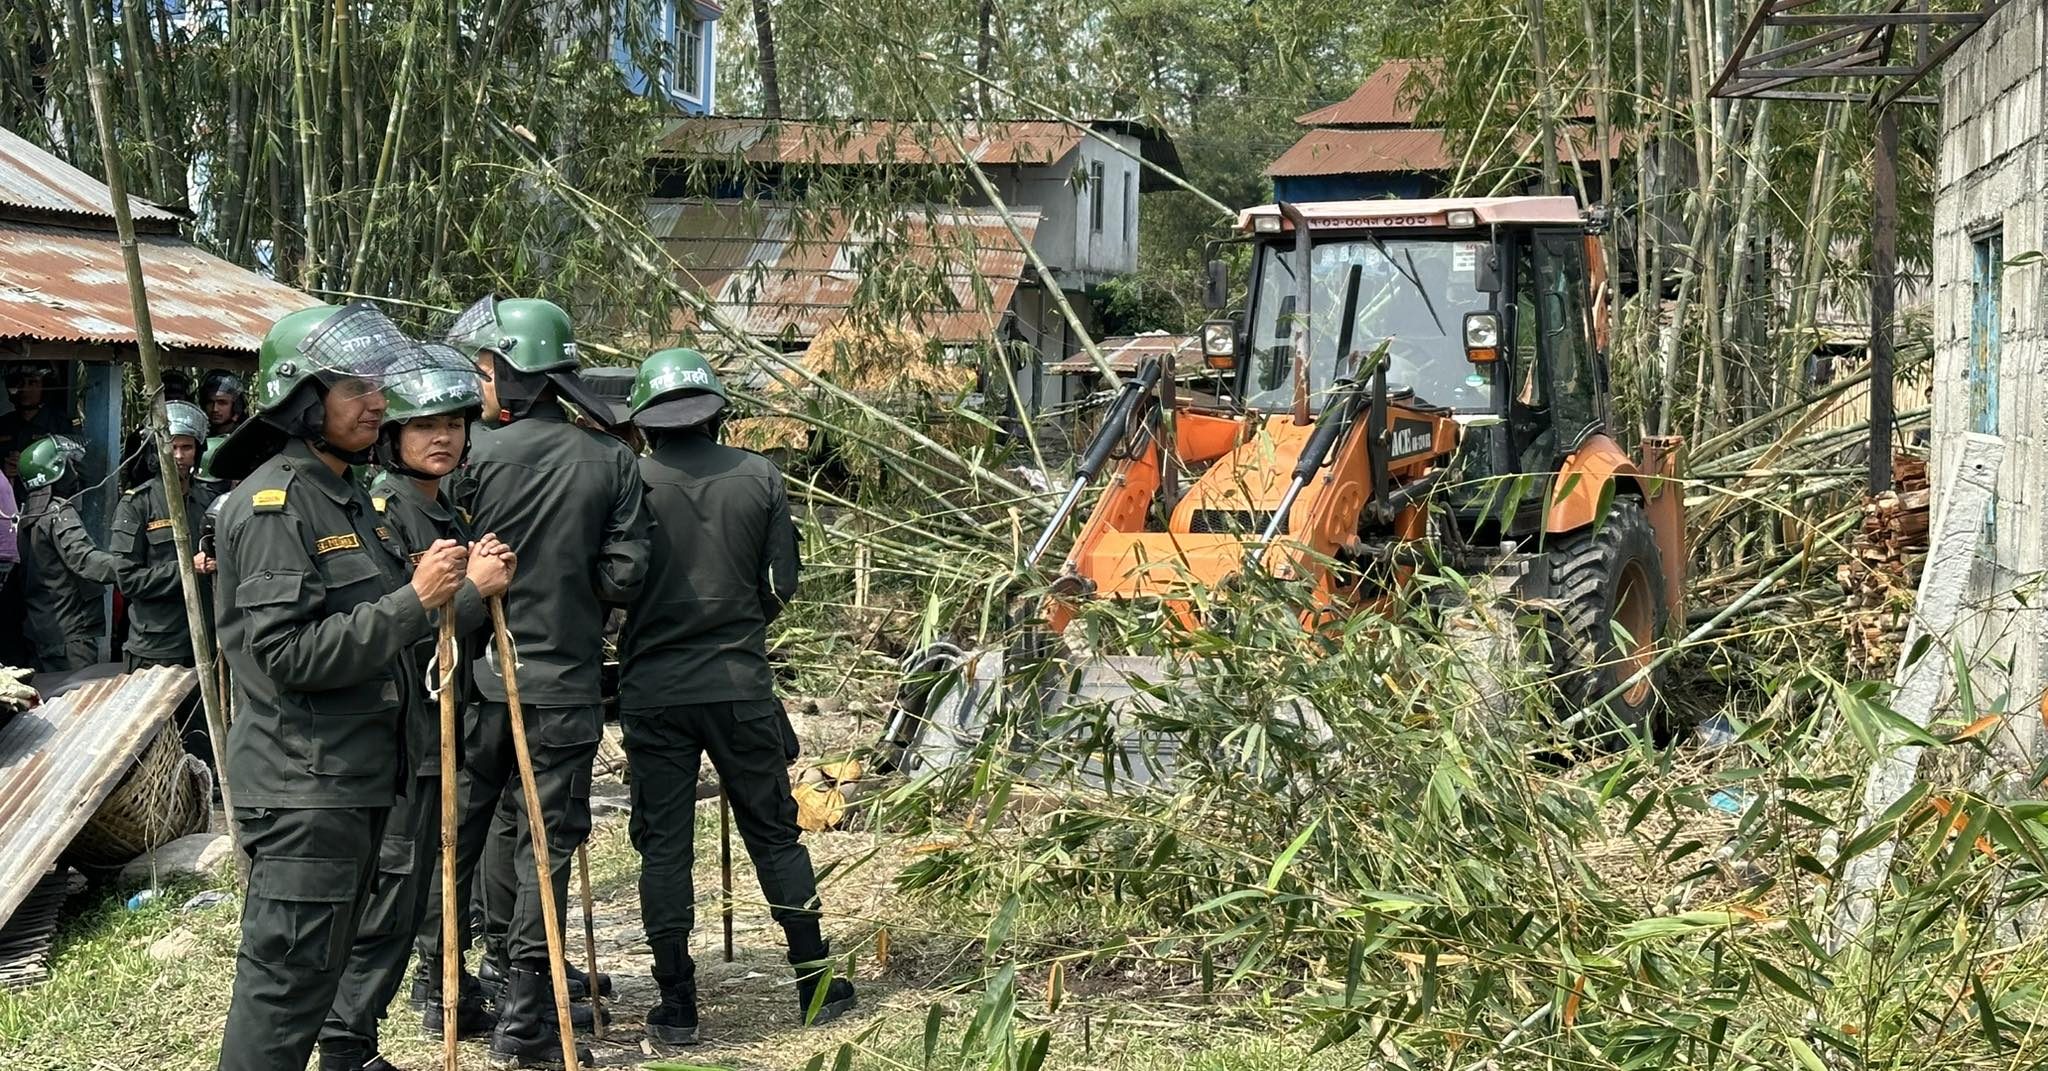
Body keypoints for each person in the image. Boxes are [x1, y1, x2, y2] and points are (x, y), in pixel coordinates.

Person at [207, 301, 506, 1071]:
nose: (378, 402)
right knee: (282, 988)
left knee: (313, 985)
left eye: (378, 386)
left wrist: (452, 597)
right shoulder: (277, 505)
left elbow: (391, 644)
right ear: (303, 399)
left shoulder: (342, 495)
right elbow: (289, 655)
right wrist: (420, 599)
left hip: (354, 783)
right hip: (307, 787)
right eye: (356, 389)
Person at [420, 295, 649, 1069]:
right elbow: (626, 574)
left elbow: (441, 559)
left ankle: (440, 980)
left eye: (484, 372)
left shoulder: (471, 459)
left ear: (513, 376)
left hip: (475, 678)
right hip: (560, 684)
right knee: (541, 842)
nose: (479, 388)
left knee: (471, 831)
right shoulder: (612, 459)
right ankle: (526, 1011)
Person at [619, 348, 855, 1048]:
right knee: (774, 832)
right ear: (718, 412)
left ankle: (677, 1003)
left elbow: (613, 581)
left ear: (646, 421)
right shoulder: (760, 475)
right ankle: (813, 980)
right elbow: (782, 583)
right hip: (739, 683)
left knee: (663, 847)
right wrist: (740, 622)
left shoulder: (628, 480)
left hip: (654, 690)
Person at [319, 350, 514, 1071]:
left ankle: (362, 1035)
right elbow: (401, 627)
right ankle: (345, 1041)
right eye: (423, 425)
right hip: (403, 733)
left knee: (417, 894)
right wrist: (473, 591)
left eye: (454, 423)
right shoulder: (383, 510)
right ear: (392, 434)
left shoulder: (449, 506)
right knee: (391, 894)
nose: (443, 437)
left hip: (446, 724)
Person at [110, 399, 216, 671]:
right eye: (171, 446)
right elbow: (128, 580)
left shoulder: (209, 501)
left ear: (197, 451)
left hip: (206, 641)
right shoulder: (137, 504)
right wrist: (186, 569)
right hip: (156, 649)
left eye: (186, 447)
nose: (178, 455)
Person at [17, 436, 117, 672]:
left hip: (39, 630)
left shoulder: (26, 514)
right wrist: (131, 568)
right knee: (80, 702)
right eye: (70, 464)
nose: (75, 471)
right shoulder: (58, 511)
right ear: (57, 470)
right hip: (70, 635)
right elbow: (85, 561)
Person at [1, 363, 69, 462]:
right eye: (19, 382)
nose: (24, 388)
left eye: (32, 382)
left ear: (45, 386)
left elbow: (79, 472)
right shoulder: (3, 424)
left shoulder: (61, 426)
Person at [201, 370, 249, 437]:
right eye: (210, 402)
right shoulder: (200, 437)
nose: (215, 409)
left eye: (222, 403)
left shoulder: (247, 436)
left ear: (236, 406)